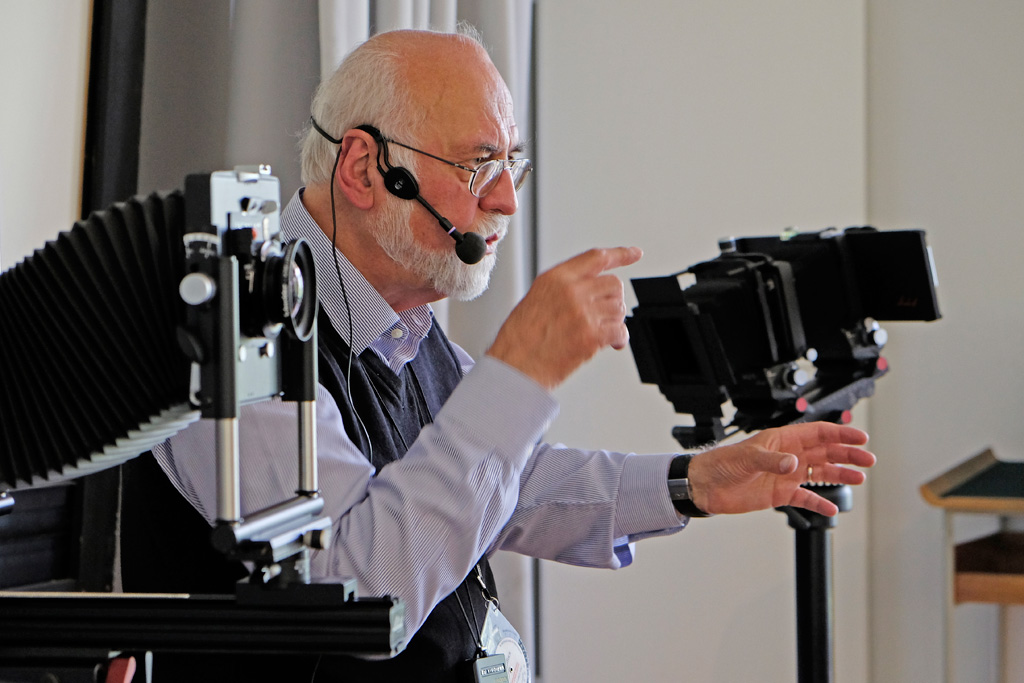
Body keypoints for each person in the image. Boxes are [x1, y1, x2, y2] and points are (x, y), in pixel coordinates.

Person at [124, 26, 875, 682]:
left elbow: (496, 486)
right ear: (361, 169)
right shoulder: (227, 331)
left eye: (509, 163)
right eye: (477, 162)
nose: (506, 200)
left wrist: (691, 482)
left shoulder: (401, 323)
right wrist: (521, 370)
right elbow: (356, 586)